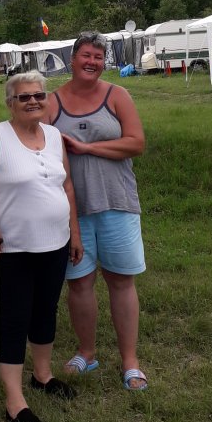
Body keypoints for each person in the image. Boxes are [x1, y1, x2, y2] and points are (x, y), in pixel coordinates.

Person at [0, 71, 83, 422]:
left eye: (38, 95)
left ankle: (43, 376)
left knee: (45, 310)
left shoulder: (53, 136)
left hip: (55, 243)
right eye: (24, 97)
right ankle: (15, 402)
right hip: (12, 248)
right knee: (14, 319)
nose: (33, 101)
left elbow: (67, 185)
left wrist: (74, 234)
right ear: (10, 103)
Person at [43, 32, 148, 391]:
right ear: (72, 59)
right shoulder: (52, 102)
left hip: (117, 201)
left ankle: (130, 361)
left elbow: (136, 143)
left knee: (121, 280)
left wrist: (87, 149)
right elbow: (35, 143)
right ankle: (86, 353)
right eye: (86, 55)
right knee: (79, 282)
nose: (92, 62)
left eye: (98, 57)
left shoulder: (118, 96)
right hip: (71, 210)